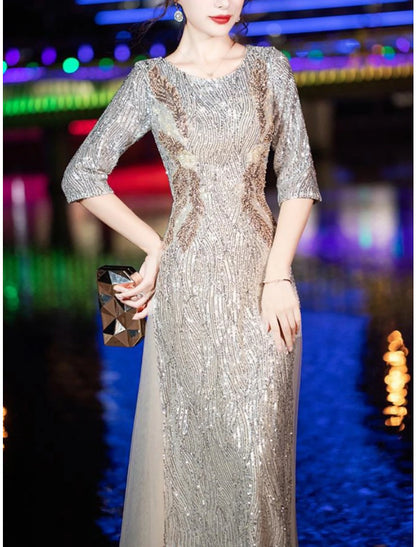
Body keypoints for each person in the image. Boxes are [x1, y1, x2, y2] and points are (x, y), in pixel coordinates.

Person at [62, 0, 322, 544]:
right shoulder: (152, 81)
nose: (224, 2)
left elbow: (298, 180)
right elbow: (81, 175)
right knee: (192, 464)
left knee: (259, 470)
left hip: (264, 294)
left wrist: (278, 276)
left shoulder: (269, 68)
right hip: (187, 294)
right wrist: (156, 245)